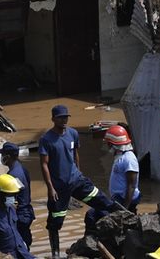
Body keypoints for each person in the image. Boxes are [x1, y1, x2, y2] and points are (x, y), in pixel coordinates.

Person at [39, 105, 117, 259]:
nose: (64, 120)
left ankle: (109, 238)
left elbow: (75, 154)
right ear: (53, 119)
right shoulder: (46, 139)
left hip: (77, 180)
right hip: (59, 187)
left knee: (103, 202)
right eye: (61, 117)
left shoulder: (73, 133)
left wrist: (79, 172)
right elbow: (44, 164)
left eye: (66, 117)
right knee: (55, 222)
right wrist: (50, 187)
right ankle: (55, 254)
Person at [84, 125, 140, 233]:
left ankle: (91, 243)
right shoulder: (120, 156)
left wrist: (124, 210)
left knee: (91, 214)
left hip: (123, 203)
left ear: (113, 144)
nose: (107, 146)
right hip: (117, 200)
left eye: (108, 143)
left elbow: (132, 185)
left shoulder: (129, 159)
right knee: (93, 214)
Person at [0, 173, 34, 259]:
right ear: (0, 194)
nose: (14, 198)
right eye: (11, 195)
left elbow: (15, 231)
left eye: (15, 195)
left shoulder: (10, 208)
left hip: (22, 253)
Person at [0, 142, 35, 248]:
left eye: (2, 155)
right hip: (26, 211)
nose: (2, 157)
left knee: (20, 244)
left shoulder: (13, 175)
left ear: (7, 157)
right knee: (25, 242)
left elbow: (12, 199)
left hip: (20, 214)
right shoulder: (22, 169)